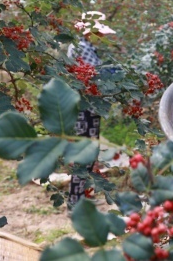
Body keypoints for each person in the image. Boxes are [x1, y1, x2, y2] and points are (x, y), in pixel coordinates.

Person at [66, 11, 116, 208]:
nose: (102, 37)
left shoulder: (85, 47)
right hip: (83, 107)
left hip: (87, 106)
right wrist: (113, 74)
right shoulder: (81, 47)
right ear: (91, 32)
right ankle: (76, 202)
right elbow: (95, 76)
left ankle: (82, 198)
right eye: (99, 33)